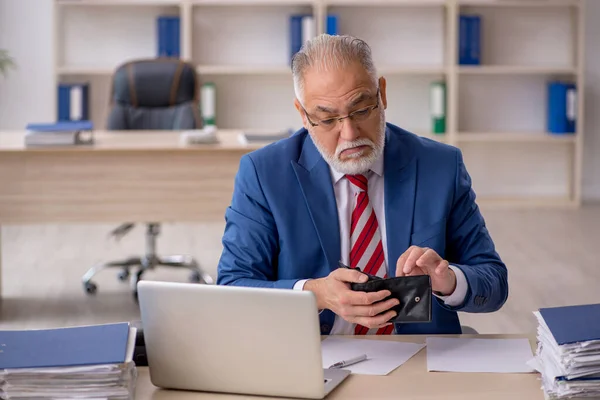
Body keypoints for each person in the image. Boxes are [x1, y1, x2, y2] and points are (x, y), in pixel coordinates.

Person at [216, 34, 508, 335]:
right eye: (327, 120)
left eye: (361, 110)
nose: (349, 133)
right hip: (313, 357)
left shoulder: (439, 166)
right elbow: (233, 286)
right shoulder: (264, 174)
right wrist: (315, 294)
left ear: (381, 93)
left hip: (419, 359)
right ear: (303, 115)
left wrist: (449, 281)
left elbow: (494, 281)